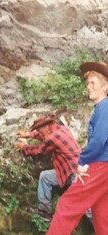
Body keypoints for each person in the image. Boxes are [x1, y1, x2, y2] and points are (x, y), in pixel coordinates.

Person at [46, 61, 108, 235]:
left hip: (100, 166)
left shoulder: (104, 106)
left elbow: (99, 140)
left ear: (105, 86)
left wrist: (81, 162)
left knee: (68, 204)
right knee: (102, 215)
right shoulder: (102, 108)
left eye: (93, 83)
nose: (88, 86)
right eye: (87, 83)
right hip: (105, 167)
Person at [16, 113, 81, 220]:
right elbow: (44, 136)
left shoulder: (51, 137)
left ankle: (45, 212)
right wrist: (28, 134)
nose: (38, 131)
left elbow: (38, 151)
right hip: (78, 166)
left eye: (39, 129)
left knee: (87, 208)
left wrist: (24, 147)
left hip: (73, 173)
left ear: (44, 126)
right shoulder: (60, 128)